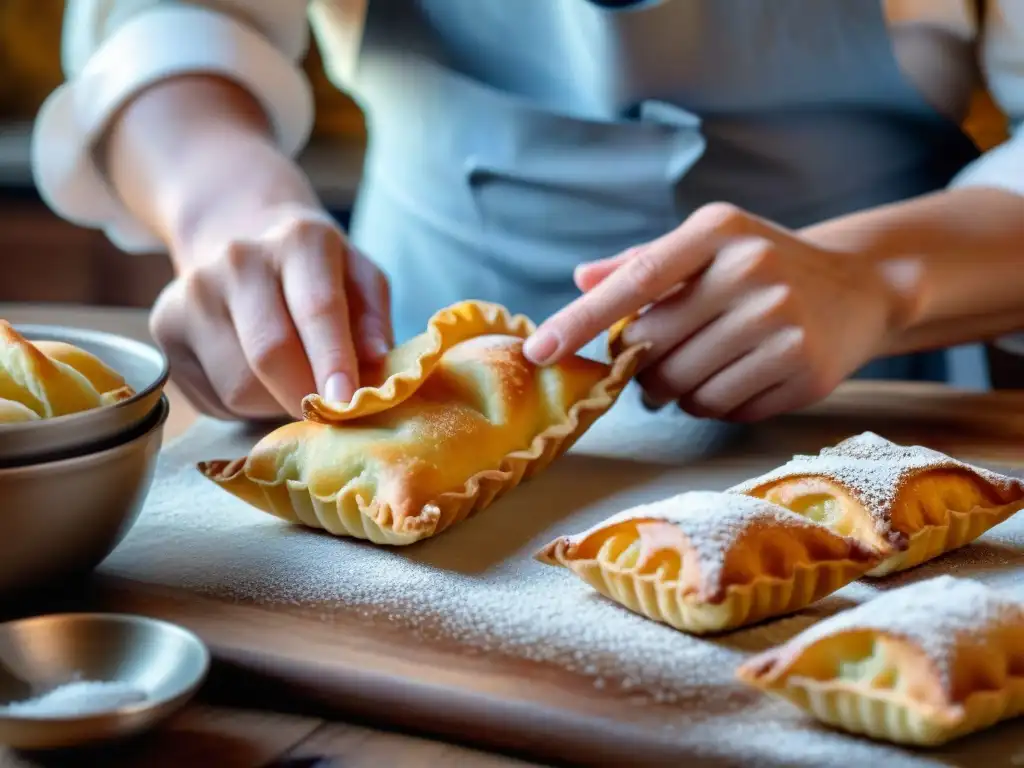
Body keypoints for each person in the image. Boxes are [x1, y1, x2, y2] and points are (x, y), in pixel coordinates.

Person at [33, 0, 1024, 424]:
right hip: (387, 354)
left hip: (875, 386)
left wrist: (880, 277)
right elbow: (165, 25)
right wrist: (228, 215)